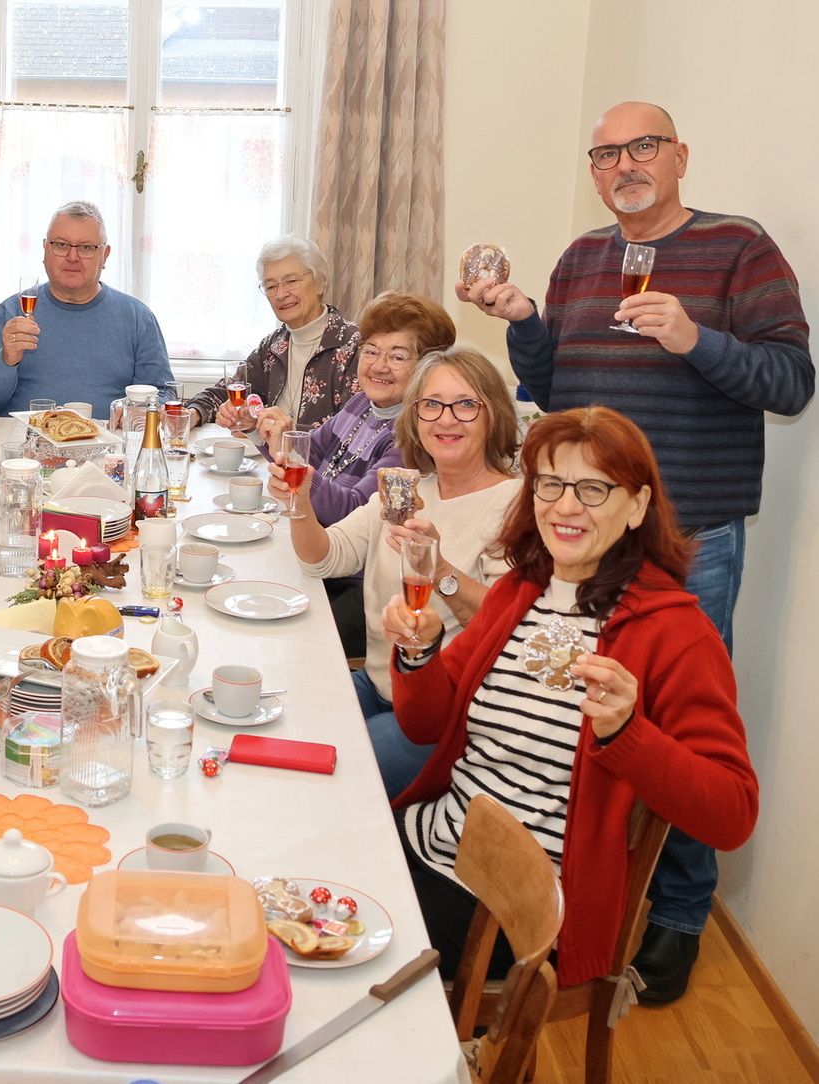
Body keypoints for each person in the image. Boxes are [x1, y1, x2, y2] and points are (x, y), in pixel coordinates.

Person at [455, 100, 810, 997]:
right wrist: (524, 319)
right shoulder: (582, 257)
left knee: (680, 733)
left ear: (680, 154)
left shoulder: (738, 248)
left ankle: (679, 914)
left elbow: (791, 381)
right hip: (584, 535)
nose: (623, 165)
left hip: (688, 540)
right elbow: (554, 385)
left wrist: (694, 339)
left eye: (642, 146)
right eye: (606, 153)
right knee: (570, 707)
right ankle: (567, 883)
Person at [381, 407, 758, 991]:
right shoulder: (519, 592)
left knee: (346, 945)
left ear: (637, 506)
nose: (565, 506)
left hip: (521, 909)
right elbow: (425, 726)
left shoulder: (675, 634)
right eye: (550, 484)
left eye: (593, 488)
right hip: (434, 840)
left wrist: (628, 733)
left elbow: (731, 814)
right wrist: (419, 653)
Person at [274, 347, 518, 797]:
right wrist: (300, 500)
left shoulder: (515, 506)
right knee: (287, 735)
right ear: (415, 416)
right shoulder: (405, 490)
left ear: (493, 415)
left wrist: (440, 570)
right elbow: (323, 558)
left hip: (446, 711)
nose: (446, 419)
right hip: (376, 682)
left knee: (334, 781)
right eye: (431, 404)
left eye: (465, 404)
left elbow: (506, 627)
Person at [256, 292, 455, 658]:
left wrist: (300, 477)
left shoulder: (414, 434)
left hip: (358, 581)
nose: (379, 365)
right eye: (371, 351)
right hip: (323, 549)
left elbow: (354, 511)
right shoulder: (364, 402)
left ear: (428, 366)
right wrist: (273, 437)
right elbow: (313, 451)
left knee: (285, 642)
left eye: (397, 356)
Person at [0, 200, 173, 416]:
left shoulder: (138, 318)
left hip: (109, 437)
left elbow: (163, 393)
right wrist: (6, 360)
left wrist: (140, 412)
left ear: (105, 255)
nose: (72, 257)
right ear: (45, 250)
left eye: (86, 248)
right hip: (26, 437)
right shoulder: (11, 314)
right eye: (61, 245)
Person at [187, 236, 361, 431]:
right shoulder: (274, 346)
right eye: (271, 286)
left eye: (291, 281)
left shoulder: (355, 345)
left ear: (321, 282)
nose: (280, 294)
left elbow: (352, 430)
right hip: (269, 451)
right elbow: (223, 393)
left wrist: (286, 433)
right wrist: (192, 414)